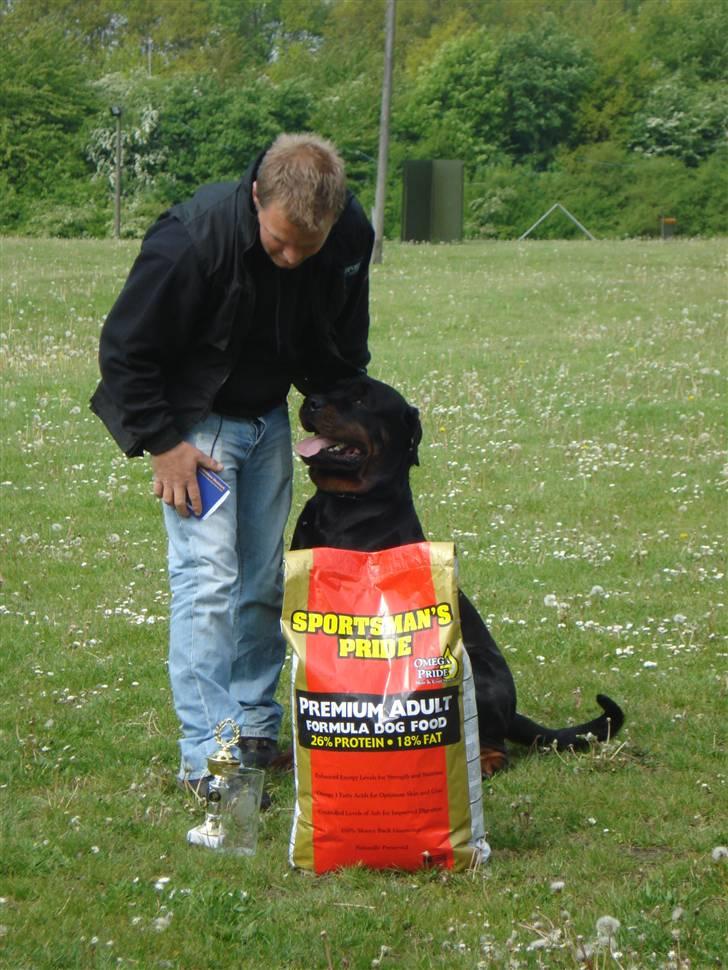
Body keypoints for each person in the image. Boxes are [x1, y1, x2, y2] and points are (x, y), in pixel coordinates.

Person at [91, 133, 374, 798]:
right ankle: (209, 760)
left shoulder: (347, 236)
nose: (292, 258)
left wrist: (348, 415)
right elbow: (125, 350)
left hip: (268, 419)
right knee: (209, 584)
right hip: (199, 429)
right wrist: (163, 442)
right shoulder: (192, 240)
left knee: (262, 583)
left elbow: (344, 336)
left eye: (307, 247)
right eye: (279, 243)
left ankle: (252, 729)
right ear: (255, 198)